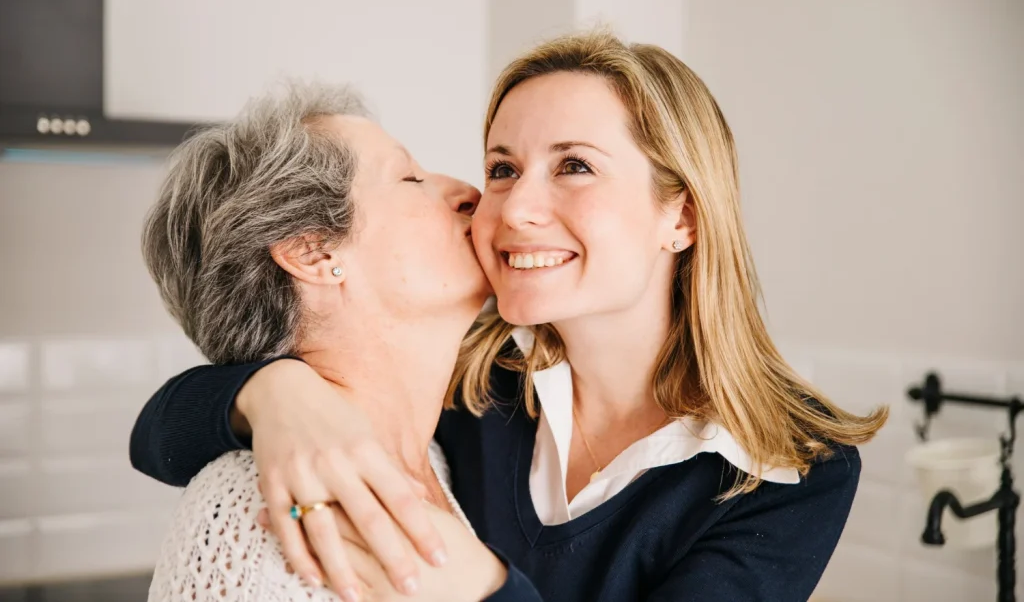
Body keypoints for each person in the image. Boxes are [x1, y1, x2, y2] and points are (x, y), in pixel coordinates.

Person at [132, 31, 888, 602]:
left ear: (682, 215)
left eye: (575, 166)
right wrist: (271, 393)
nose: (510, 207)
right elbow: (160, 432)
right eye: (502, 167)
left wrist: (475, 582)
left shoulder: (792, 466)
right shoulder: (470, 378)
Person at [138, 82, 542, 602]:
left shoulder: (443, 455)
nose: (470, 192)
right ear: (312, 253)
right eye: (410, 176)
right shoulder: (256, 513)